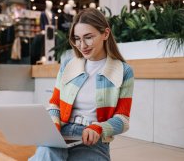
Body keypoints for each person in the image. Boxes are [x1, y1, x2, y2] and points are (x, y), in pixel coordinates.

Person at [29, 8, 134, 160]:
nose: (82, 45)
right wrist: (54, 125)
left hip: (93, 140)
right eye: (77, 39)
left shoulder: (123, 71)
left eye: (88, 37)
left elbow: (123, 120)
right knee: (47, 153)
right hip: (61, 132)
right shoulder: (68, 65)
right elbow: (54, 104)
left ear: (105, 33)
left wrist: (98, 128)